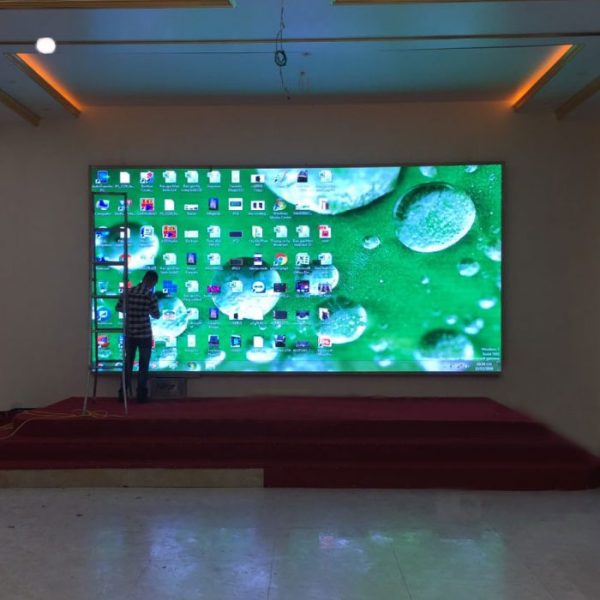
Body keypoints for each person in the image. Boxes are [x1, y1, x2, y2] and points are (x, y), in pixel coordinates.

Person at [116, 270, 160, 403]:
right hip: (144, 335)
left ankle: (123, 393)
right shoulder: (150, 295)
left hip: (130, 334)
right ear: (153, 283)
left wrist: (131, 310)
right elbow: (156, 315)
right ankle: (141, 395)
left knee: (128, 363)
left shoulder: (128, 292)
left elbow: (118, 308)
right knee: (143, 365)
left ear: (143, 279)